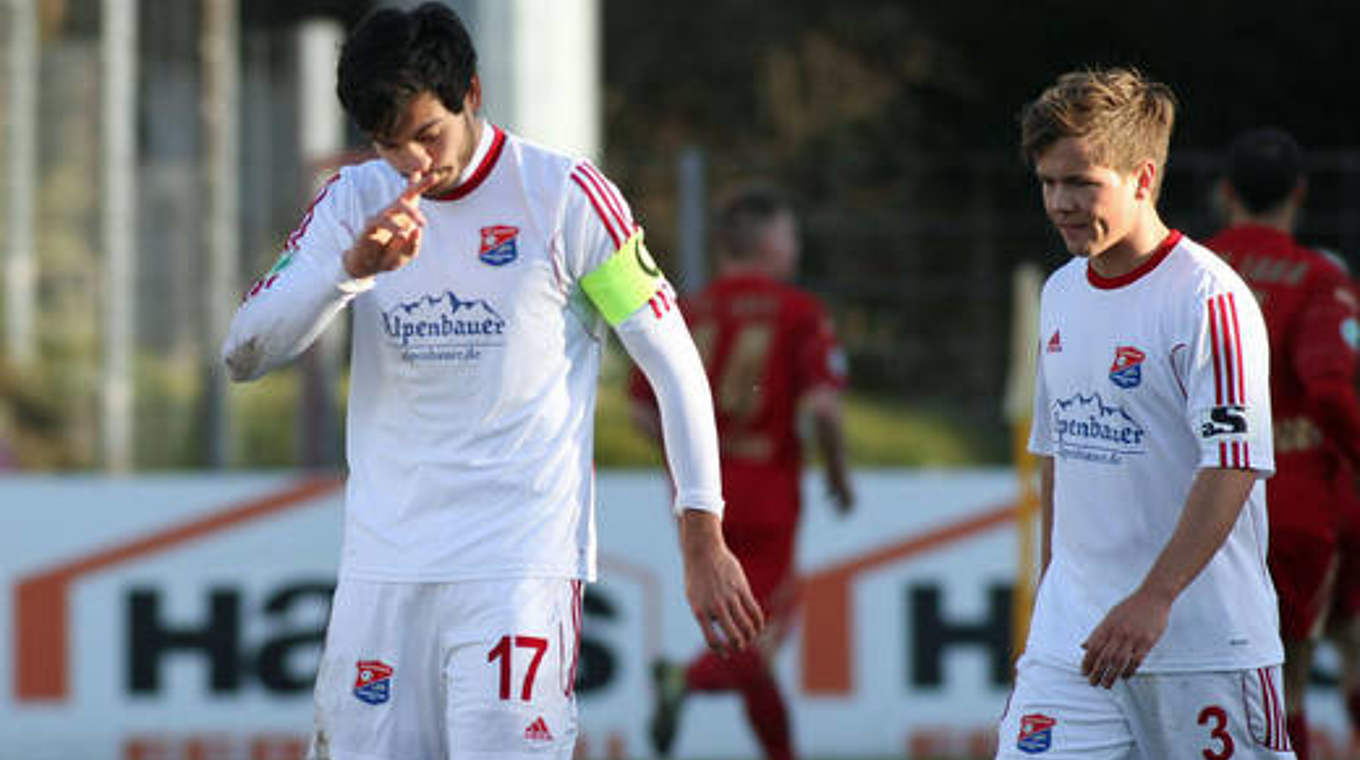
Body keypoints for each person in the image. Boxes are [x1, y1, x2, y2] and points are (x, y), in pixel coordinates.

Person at [220, 5, 763, 759]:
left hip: (516, 569)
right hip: (384, 570)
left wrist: (701, 534)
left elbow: (672, 361)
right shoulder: (352, 205)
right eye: (387, 144)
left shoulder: (563, 196)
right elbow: (244, 352)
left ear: (471, 91)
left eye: (427, 134)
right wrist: (349, 275)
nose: (411, 162)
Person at [996, 67, 1293, 759]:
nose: (1061, 204)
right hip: (1072, 648)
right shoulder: (1061, 294)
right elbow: (1059, 459)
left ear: (1141, 177)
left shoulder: (1207, 299)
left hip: (1201, 647)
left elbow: (1234, 465)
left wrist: (1154, 598)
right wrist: (1051, 608)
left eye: (1081, 183)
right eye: (1048, 183)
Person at [628, 186, 854, 760]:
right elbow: (824, 408)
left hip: (700, 500)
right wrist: (837, 471)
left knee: (747, 638)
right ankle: (685, 681)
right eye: (791, 235)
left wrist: (685, 464)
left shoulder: (684, 309)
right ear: (771, 242)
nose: (795, 247)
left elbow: (639, 408)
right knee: (758, 636)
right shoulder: (799, 311)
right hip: (769, 493)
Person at [1205, 128, 1360, 760]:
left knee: (1204, 680)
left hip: (1197, 501)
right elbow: (1329, 389)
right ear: (1298, 194)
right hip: (1293, 494)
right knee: (1288, 681)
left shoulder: (1185, 267)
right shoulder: (1318, 277)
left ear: (1224, 193)